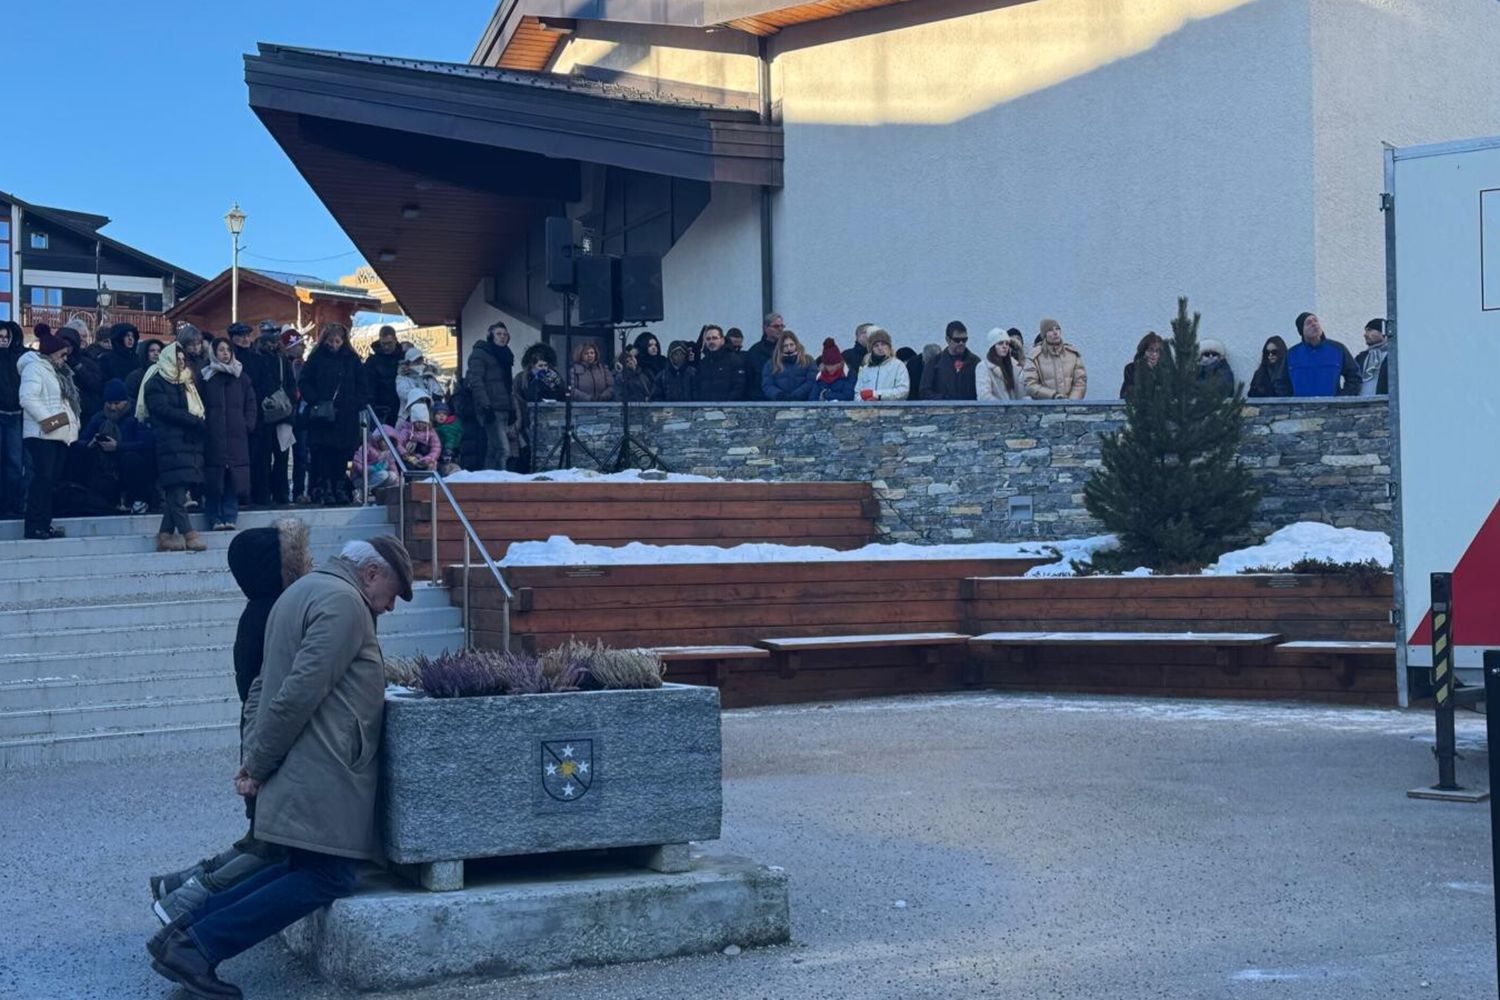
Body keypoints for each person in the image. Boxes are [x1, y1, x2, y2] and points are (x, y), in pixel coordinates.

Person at [146, 537, 413, 999]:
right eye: (392, 593)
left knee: (300, 865)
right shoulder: (345, 604)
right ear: (371, 574)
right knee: (327, 876)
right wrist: (258, 764)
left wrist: (257, 756)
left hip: (306, 762)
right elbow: (298, 693)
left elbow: (265, 685)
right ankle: (197, 945)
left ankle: (184, 933)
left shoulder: (304, 590)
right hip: (323, 767)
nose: (390, 607)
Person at [148, 518, 312, 924]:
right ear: (279, 568)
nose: (310, 560)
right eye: (299, 555)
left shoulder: (259, 611)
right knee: (268, 846)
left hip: (257, 738)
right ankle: (185, 904)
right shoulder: (277, 615)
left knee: (260, 837)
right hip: (268, 744)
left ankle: (178, 884)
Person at [140, 341, 207, 552]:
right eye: (176, 359)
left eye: (182, 359)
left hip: (188, 442)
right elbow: (161, 409)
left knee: (179, 489)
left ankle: (165, 535)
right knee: (176, 491)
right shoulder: (156, 381)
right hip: (170, 441)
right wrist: (191, 419)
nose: (180, 363)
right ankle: (189, 533)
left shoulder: (186, 381)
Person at [18, 325, 81, 539]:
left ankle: (44, 524)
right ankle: (34, 525)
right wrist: (51, 422)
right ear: (52, 352)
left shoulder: (57, 372)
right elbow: (28, 398)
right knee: (42, 480)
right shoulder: (35, 369)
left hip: (57, 434)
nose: (65, 358)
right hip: (42, 434)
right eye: (62, 354)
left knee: (50, 481)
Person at [299, 324, 367, 506]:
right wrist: (316, 400)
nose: (334, 344)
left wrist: (356, 403)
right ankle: (325, 488)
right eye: (331, 340)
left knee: (342, 454)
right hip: (323, 416)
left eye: (338, 341)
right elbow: (304, 381)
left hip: (346, 415)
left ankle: (339, 487)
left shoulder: (352, 359)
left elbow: (362, 384)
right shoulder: (316, 358)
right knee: (323, 454)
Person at [201, 338, 257, 531]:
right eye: (220, 350)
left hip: (236, 436)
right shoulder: (206, 377)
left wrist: (247, 424)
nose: (225, 353)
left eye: (228, 350)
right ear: (213, 353)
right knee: (214, 477)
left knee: (233, 477)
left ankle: (230, 515)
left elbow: (251, 404)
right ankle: (214, 516)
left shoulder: (242, 377)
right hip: (213, 436)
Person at [76, 379, 156, 515]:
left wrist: (119, 447)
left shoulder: (137, 416)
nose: (113, 407)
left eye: (117, 403)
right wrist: (91, 444)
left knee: (131, 460)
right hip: (105, 467)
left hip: (132, 466)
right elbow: (81, 441)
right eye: (109, 403)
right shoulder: (98, 418)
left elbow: (147, 443)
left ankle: (138, 500)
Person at [465, 322, 514, 472]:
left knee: (493, 450)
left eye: (505, 334)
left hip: (504, 406)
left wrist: (511, 408)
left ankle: (489, 481)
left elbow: (507, 384)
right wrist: (486, 406)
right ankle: (500, 482)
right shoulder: (480, 354)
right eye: (499, 334)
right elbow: (476, 382)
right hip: (490, 407)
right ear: (490, 336)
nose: (502, 337)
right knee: (503, 450)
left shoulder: (505, 355)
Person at [513, 343, 565, 471]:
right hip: (527, 420)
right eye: (540, 366)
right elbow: (523, 397)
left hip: (551, 419)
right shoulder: (522, 378)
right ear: (532, 365)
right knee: (527, 450)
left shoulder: (553, 376)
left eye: (545, 365)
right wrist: (536, 380)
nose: (543, 368)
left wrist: (553, 385)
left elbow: (561, 395)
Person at [1286, 312, 1360, 396]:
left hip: (1332, 408)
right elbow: (1281, 382)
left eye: (1315, 321)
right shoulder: (1292, 354)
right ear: (1301, 330)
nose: (1314, 324)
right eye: (1308, 323)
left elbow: (1354, 376)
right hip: (1301, 408)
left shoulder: (1338, 349)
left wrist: (1342, 398)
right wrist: (1291, 402)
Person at [57, 320, 106, 426]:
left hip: (87, 411)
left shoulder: (91, 357)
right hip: (64, 413)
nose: (83, 340)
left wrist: (78, 368)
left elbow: (96, 384)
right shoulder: (59, 360)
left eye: (85, 336)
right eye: (80, 336)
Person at [1023, 318, 1087, 400]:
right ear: (1044, 334)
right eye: (1050, 330)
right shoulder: (1035, 357)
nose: (1055, 333)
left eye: (1057, 329)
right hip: (1045, 408)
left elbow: (1080, 381)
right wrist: (1053, 396)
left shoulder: (1072, 354)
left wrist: (1071, 402)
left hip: (1071, 408)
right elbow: (1030, 385)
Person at [0, 321, 26, 519]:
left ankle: (10, 504)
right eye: (0, 337)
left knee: (15, 464)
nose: (3, 341)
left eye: (6, 337)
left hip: (15, 416)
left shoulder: (18, 359)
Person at [920, 322, 980, 401]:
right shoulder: (934, 363)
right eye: (957, 340)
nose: (961, 343)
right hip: (943, 411)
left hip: (970, 411)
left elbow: (981, 391)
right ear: (947, 339)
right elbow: (924, 392)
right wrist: (945, 399)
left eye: (964, 340)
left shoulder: (975, 363)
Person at [363, 325, 403, 426]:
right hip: (380, 408)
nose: (386, 347)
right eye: (383, 344)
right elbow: (368, 385)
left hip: (402, 406)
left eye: (389, 343)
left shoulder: (404, 358)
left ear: (395, 340)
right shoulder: (372, 361)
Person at [695, 325, 749, 402]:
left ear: (722, 340)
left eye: (714, 338)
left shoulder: (734, 360)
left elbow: (739, 386)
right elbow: (697, 386)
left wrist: (726, 404)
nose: (711, 341)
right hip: (706, 409)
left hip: (727, 409)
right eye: (708, 339)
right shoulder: (703, 363)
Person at [761, 330, 817, 401]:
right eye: (785, 346)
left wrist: (796, 395)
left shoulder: (808, 360)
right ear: (781, 347)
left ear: (796, 345)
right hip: (780, 404)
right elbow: (767, 385)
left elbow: (811, 381)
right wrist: (780, 395)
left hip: (803, 403)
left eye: (791, 345)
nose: (789, 348)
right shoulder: (771, 364)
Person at [855, 328, 909, 402]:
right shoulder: (865, 370)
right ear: (871, 349)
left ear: (889, 347)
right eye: (876, 346)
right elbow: (857, 394)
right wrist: (865, 401)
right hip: (868, 411)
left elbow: (903, 391)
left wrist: (877, 395)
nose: (880, 348)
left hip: (892, 411)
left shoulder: (898, 366)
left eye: (883, 344)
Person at [350, 424, 398, 501]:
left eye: (389, 441)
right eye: (384, 441)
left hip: (377, 479)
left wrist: (397, 480)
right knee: (383, 474)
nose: (386, 444)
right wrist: (372, 469)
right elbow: (356, 463)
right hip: (361, 478)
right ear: (377, 439)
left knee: (393, 476)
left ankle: (380, 494)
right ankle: (360, 491)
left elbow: (393, 466)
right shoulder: (366, 447)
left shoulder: (388, 453)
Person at [395, 347, 444, 421]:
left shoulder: (428, 376)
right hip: (408, 416)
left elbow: (438, 393)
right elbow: (404, 394)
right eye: (415, 361)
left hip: (429, 416)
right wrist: (425, 395)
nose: (418, 363)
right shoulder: (402, 377)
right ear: (408, 363)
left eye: (420, 360)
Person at [744, 312, 785, 400]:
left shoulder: (788, 348)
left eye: (782, 326)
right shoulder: (755, 351)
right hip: (760, 399)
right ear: (765, 328)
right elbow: (749, 380)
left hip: (784, 398)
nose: (780, 329)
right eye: (776, 326)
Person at [977, 328, 1025, 402]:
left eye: (1007, 343)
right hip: (994, 412)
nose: (1004, 346)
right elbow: (984, 396)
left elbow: (1023, 393)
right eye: (1000, 343)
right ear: (992, 346)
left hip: (1013, 412)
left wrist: (1021, 353)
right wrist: (1004, 408)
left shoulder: (1014, 365)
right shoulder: (983, 367)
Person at [395, 402, 441, 473]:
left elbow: (436, 447)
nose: (421, 424)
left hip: (425, 457)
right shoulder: (406, 430)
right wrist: (406, 455)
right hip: (410, 457)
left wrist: (429, 458)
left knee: (432, 466)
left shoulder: (431, 432)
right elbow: (398, 443)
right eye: (418, 422)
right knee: (408, 467)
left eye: (423, 422)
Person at [1118, 332, 1164, 397]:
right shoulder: (1131, 369)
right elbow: (1126, 394)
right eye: (1151, 350)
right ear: (1143, 351)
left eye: (1157, 351)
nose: (1154, 354)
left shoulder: (1166, 371)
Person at [1355, 318, 1388, 396]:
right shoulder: (1360, 357)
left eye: (1370, 330)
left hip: (1384, 405)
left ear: (1383, 332)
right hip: (1360, 405)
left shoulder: (1394, 357)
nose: (1365, 335)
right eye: (1366, 331)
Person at [124, 338, 162, 402]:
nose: (156, 353)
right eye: (152, 350)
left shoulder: (166, 374)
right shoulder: (134, 377)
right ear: (144, 353)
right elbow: (130, 399)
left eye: (159, 351)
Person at [432, 400, 464, 475]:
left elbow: (450, 439)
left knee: (448, 466)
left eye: (444, 414)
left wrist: (448, 450)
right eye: (439, 414)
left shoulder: (448, 427)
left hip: (449, 451)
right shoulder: (438, 427)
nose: (442, 416)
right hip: (440, 451)